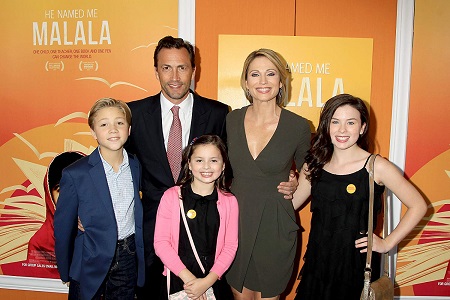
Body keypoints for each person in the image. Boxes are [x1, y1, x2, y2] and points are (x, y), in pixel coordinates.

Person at [126, 36, 298, 299]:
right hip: (154, 236)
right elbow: (118, 164)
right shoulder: (134, 114)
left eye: (182, 67)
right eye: (166, 67)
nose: (174, 76)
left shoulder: (219, 114)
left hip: (209, 236)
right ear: (156, 71)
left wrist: (291, 175)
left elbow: (238, 165)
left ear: (194, 70)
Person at [292, 94, 427, 300]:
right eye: (335, 122)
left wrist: (388, 243)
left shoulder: (376, 167)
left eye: (351, 122)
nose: (342, 130)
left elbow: (419, 205)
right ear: (326, 126)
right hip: (318, 264)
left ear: (362, 127)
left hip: (356, 266)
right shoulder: (313, 165)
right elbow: (291, 202)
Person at [226, 48, 311, 299]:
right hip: (236, 222)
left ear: (281, 80)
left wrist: (289, 204)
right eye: (255, 74)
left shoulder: (297, 126)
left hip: (274, 227)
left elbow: (309, 171)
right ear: (246, 82)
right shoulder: (230, 120)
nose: (263, 81)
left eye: (270, 73)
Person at [54, 98, 145, 300]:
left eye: (119, 123)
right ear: (93, 132)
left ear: (129, 129)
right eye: (104, 124)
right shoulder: (75, 173)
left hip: (128, 255)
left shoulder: (136, 166)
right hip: (89, 255)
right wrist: (65, 268)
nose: (113, 129)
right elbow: (63, 227)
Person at [154, 134, 238, 299]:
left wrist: (206, 283)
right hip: (179, 279)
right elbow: (161, 243)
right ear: (189, 164)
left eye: (214, 160)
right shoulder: (171, 196)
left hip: (213, 280)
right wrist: (190, 280)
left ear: (223, 166)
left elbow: (230, 247)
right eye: (199, 160)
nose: (206, 166)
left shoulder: (230, 202)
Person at [27, 151, 84, 279]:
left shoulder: (110, 228)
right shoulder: (41, 243)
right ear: (49, 194)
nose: (69, 195)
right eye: (60, 189)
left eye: (78, 186)